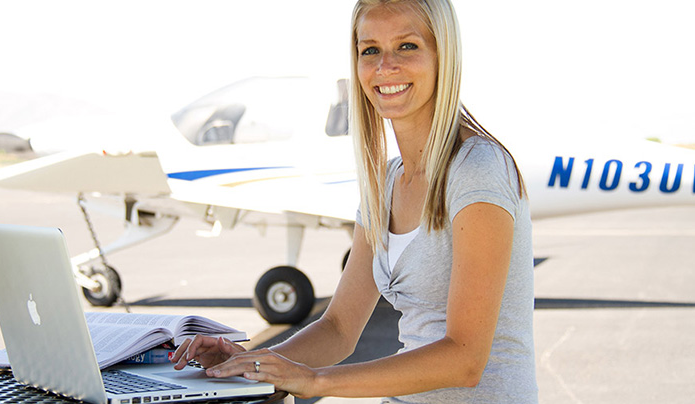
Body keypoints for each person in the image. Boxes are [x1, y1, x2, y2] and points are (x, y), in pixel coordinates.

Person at [170, 0, 538, 402]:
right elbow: (340, 328)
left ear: (443, 55)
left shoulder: (477, 168)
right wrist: (251, 366)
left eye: (407, 46)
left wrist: (314, 382)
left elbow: (464, 360)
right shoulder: (386, 181)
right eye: (370, 50)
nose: (385, 66)